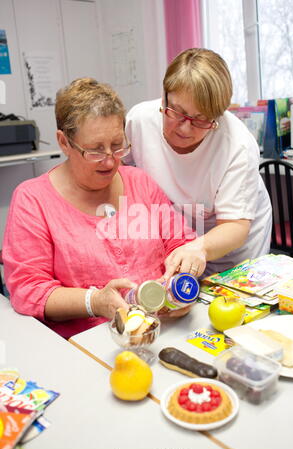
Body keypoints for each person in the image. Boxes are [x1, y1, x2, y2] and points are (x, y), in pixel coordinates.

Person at [3, 78, 199, 339]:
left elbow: (181, 244)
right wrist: (93, 302)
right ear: (64, 142)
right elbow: (28, 290)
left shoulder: (140, 182)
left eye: (118, 145)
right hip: (89, 343)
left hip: (164, 329)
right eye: (95, 150)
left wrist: (184, 284)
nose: (110, 161)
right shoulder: (33, 200)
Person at [125, 48, 272, 277]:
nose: (184, 128)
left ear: (218, 116)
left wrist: (199, 247)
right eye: (177, 112)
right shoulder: (139, 121)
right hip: (179, 237)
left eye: (200, 120)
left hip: (230, 246)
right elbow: (118, 174)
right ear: (164, 95)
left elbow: (234, 227)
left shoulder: (237, 146)